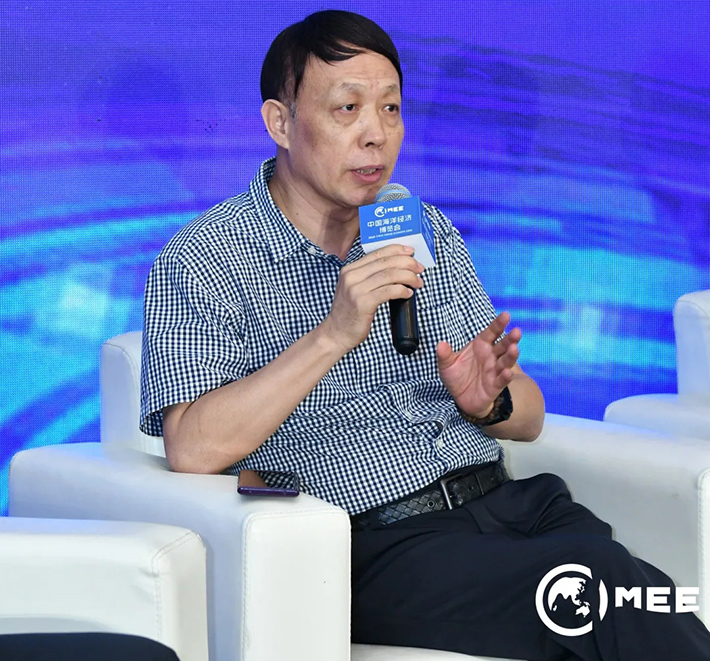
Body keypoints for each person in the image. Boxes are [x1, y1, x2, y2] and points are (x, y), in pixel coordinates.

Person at [140, 10, 710, 661]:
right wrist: (333, 334)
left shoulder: (421, 228)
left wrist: (486, 401)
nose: (376, 135)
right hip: (379, 546)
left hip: (509, 504)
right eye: (347, 109)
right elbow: (192, 447)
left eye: (390, 109)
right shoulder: (205, 259)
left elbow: (528, 417)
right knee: (601, 589)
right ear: (280, 123)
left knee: (646, 598)